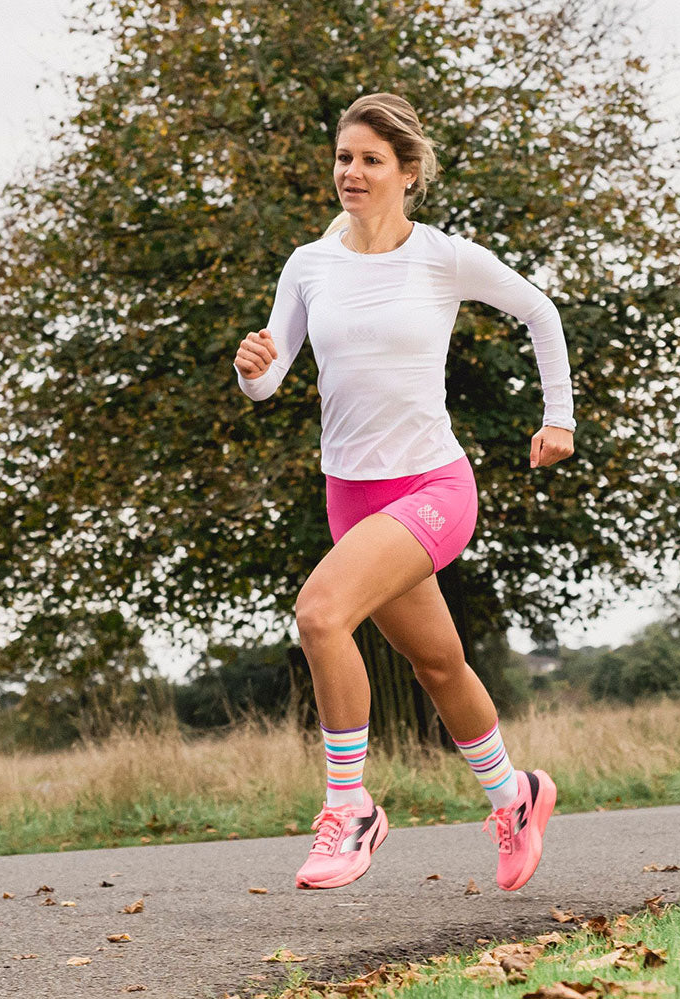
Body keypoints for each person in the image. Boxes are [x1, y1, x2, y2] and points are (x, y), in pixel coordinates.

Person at [233, 93, 575, 892]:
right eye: (344, 158)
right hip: (351, 494)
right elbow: (271, 375)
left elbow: (539, 310)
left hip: (432, 484)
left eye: (370, 160)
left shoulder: (443, 257)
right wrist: (252, 372)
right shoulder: (309, 264)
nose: (351, 172)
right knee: (438, 664)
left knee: (320, 613)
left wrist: (556, 416)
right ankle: (514, 793)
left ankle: (349, 807)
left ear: (408, 173)